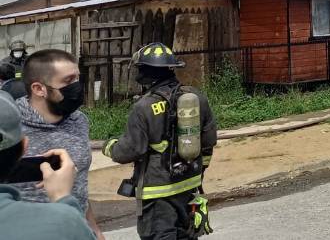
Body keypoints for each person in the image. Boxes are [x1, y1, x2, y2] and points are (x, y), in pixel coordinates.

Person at [103, 42, 218, 239]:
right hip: (189, 185)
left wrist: (110, 147)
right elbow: (208, 140)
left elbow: (130, 150)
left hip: (157, 193)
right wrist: (199, 172)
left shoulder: (144, 106)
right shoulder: (196, 97)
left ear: (144, 72)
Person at [14, 49, 104, 239]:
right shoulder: (10, 128)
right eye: (68, 81)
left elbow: (79, 184)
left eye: (77, 78)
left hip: (76, 230)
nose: (77, 86)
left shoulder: (79, 121)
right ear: (39, 89)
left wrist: (94, 230)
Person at [0, 91, 95, 240]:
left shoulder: (80, 121)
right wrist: (63, 197)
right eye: (69, 80)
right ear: (25, 146)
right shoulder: (63, 223)